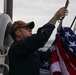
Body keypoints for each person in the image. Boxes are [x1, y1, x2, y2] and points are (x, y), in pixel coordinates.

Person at [8, 7, 68, 75]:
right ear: (18, 33)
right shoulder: (17, 47)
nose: (30, 30)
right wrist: (55, 18)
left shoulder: (32, 52)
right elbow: (39, 39)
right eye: (27, 28)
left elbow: (47, 55)